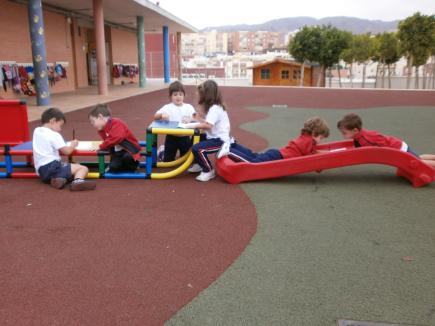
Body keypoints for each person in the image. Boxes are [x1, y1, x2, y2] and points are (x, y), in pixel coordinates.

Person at [32, 108, 96, 191]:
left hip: (41, 171)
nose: (60, 129)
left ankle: (59, 180)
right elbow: (67, 151)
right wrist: (73, 145)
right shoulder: (54, 134)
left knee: (67, 170)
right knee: (82, 168)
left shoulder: (36, 131)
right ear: (53, 121)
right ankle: (77, 182)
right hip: (52, 166)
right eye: (60, 125)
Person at [217, 117, 330, 163]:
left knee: (253, 155)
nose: (320, 141)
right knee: (252, 163)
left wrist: (320, 152)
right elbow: (308, 155)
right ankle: (230, 151)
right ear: (314, 133)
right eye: (320, 137)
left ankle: (234, 145)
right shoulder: (309, 141)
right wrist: (322, 156)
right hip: (278, 156)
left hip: (277, 153)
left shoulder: (305, 137)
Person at [187, 80, 230, 182]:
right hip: (215, 137)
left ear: (206, 95)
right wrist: (197, 119)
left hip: (220, 141)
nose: (198, 95)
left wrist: (191, 125)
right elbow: (208, 123)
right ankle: (198, 163)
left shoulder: (214, 108)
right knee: (196, 138)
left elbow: (208, 125)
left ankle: (208, 170)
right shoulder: (214, 107)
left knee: (197, 148)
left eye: (200, 93)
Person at [89, 104, 141, 173]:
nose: (92, 124)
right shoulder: (103, 129)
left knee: (127, 158)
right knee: (114, 168)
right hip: (118, 152)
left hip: (129, 150)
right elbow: (108, 142)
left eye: (93, 121)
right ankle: (121, 166)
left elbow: (116, 138)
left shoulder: (116, 123)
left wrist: (101, 147)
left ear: (100, 117)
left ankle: (134, 165)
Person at [336, 113, 419, 156]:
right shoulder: (358, 136)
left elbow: (380, 140)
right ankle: (433, 157)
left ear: (355, 130)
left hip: (398, 148)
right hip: (398, 145)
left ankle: (432, 167)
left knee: (419, 161)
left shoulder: (366, 138)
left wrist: (386, 152)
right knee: (418, 157)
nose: (343, 135)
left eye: (344, 133)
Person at [154, 81, 196, 162]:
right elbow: (155, 116)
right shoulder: (167, 107)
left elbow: (196, 117)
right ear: (170, 96)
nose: (178, 97)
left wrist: (190, 119)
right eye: (175, 94)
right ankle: (162, 152)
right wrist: (161, 116)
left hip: (185, 137)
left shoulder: (188, 107)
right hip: (171, 137)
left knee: (185, 160)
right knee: (168, 160)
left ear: (184, 95)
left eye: (180, 94)